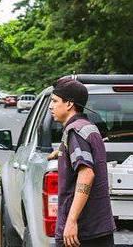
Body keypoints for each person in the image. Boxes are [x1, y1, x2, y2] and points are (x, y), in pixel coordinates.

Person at [49, 77, 115, 247]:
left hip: (81, 233)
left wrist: (71, 221)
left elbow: (87, 174)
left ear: (69, 104)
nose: (51, 106)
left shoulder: (75, 132)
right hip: (98, 229)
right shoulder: (88, 127)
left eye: (55, 101)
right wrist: (61, 152)